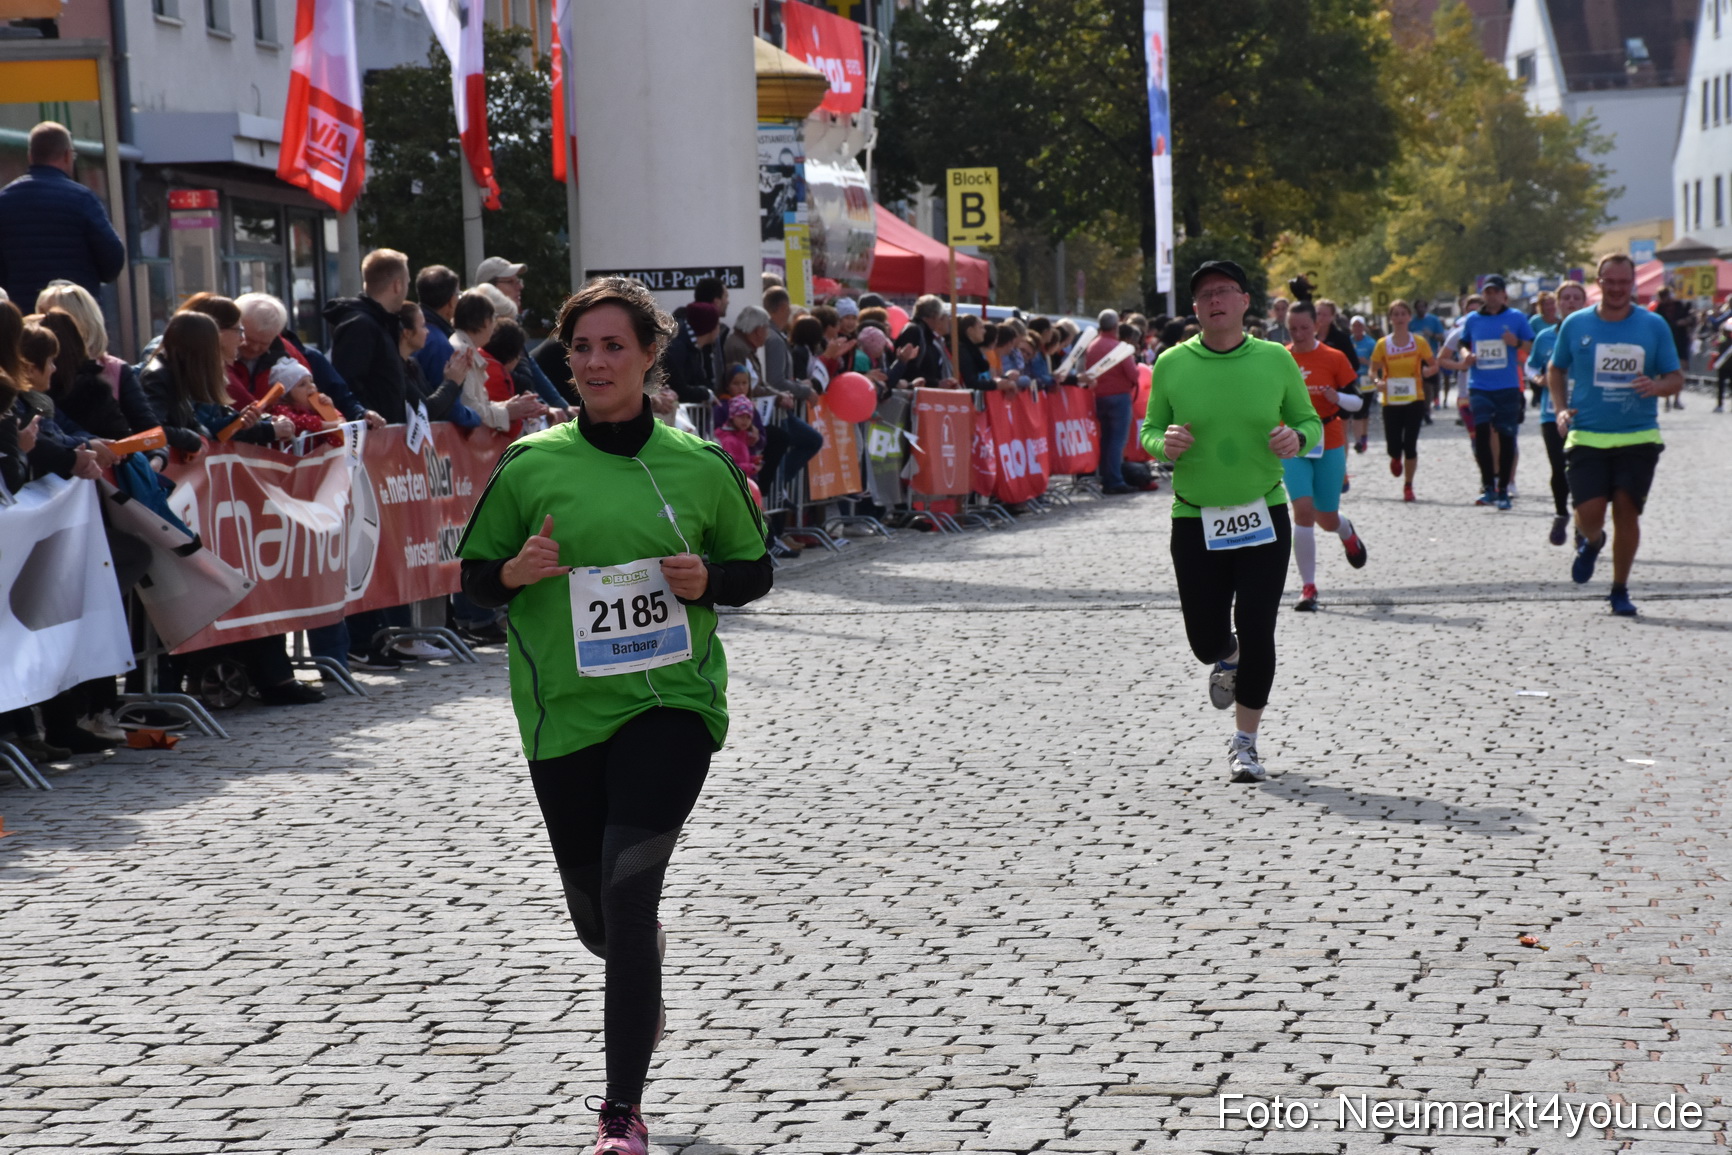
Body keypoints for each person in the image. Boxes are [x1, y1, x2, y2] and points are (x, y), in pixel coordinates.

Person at [456, 276, 772, 1155]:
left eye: (613, 347)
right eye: (581, 348)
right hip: (564, 714)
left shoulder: (699, 465)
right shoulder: (531, 465)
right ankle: (642, 966)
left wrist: (708, 581)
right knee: (600, 921)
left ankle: (620, 1112)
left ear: (648, 356)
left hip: (671, 705)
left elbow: (754, 572)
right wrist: (514, 572)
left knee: (630, 900)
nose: (595, 363)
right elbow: (472, 581)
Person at [1140, 260, 1320, 784]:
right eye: (1204, 295)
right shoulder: (1171, 362)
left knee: (1259, 626)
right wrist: (1164, 444)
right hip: (1195, 516)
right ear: (1195, 309)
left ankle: (1245, 744)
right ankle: (1228, 656)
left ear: (1244, 301)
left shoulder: (1275, 359)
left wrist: (1297, 438)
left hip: (1263, 513)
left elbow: (1308, 420)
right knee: (1205, 640)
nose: (1214, 300)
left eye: (1224, 291)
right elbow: (1149, 430)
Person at [1547, 254, 1683, 617]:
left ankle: (1619, 589)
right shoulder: (1576, 324)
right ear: (1600, 283)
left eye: (1625, 282)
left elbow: (1675, 378)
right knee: (1589, 514)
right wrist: (1560, 408)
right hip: (1588, 434)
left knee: (1627, 510)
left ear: (1633, 284)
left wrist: (1655, 387)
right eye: (1611, 282)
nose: (1618, 289)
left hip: (1638, 434)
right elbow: (1556, 369)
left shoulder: (1653, 325)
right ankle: (1593, 541)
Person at [1283, 302, 1368, 611]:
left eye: (1304, 328)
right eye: (1293, 329)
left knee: (1326, 518)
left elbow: (1358, 402)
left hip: (1328, 440)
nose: (1299, 334)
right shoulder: (1281, 358)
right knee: (1303, 510)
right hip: (1293, 443)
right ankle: (1308, 587)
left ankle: (1346, 532)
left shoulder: (1334, 357)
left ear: (1316, 326)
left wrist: (1338, 397)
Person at [0, 122, 126, 307]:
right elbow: (112, 260)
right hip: (76, 313)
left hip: (23, 314)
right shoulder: (83, 199)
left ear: (30, 156)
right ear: (67, 155)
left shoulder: (4, 201)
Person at [1440, 276, 1532, 509]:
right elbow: (1463, 342)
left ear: (1503, 295)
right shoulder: (1473, 319)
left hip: (1508, 386)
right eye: (1487, 292)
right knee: (1481, 434)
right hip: (1479, 386)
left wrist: (1515, 342)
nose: (1491, 296)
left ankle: (1504, 489)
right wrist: (1465, 355)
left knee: (1506, 436)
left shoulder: (1516, 317)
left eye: (1495, 292)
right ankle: (1488, 486)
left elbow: (1531, 346)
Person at [1530, 280, 1588, 546]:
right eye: (1566, 298)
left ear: (1584, 302)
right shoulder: (1545, 336)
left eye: (1576, 297)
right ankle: (1561, 513)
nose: (1571, 302)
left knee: (1580, 470)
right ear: (1557, 303)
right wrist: (1538, 379)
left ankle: (1581, 524)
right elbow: (1531, 366)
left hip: (1584, 412)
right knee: (1558, 467)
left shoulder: (1594, 334)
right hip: (1551, 413)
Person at [1368, 300, 1436, 502]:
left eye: (1403, 314)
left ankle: (1408, 485)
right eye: (1395, 314)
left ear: (1409, 317)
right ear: (1390, 318)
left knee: (1411, 444)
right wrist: (1377, 382)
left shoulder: (1419, 342)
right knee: (1394, 445)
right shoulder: (1383, 344)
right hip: (1391, 401)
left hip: (1415, 399)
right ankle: (1395, 457)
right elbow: (1373, 370)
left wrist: (1428, 371)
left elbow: (1434, 364)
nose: (1399, 318)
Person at [1081, 310, 1140, 494]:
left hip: (1099, 397)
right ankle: (1114, 480)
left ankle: (1106, 477)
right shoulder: (1119, 348)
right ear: (1116, 326)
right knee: (1116, 441)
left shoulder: (1092, 346)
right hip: (1119, 397)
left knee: (1105, 440)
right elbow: (1133, 374)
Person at [1410, 297, 1447, 420]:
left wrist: (1431, 335)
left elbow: (1442, 337)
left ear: (1426, 308)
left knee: (1428, 385)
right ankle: (1420, 409)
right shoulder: (1411, 322)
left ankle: (1427, 409)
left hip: (1429, 356)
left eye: (1422, 307)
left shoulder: (1433, 320)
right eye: (1418, 307)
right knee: (1418, 384)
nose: (1420, 309)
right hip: (1414, 357)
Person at [1349, 315, 1377, 454]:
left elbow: (1378, 363)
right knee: (1357, 411)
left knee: (1364, 410)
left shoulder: (1371, 343)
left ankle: (1363, 437)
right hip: (1353, 379)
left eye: (1359, 325)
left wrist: (1366, 362)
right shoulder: (1348, 342)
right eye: (1354, 325)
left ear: (1364, 327)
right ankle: (1358, 440)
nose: (1357, 328)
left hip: (1367, 379)